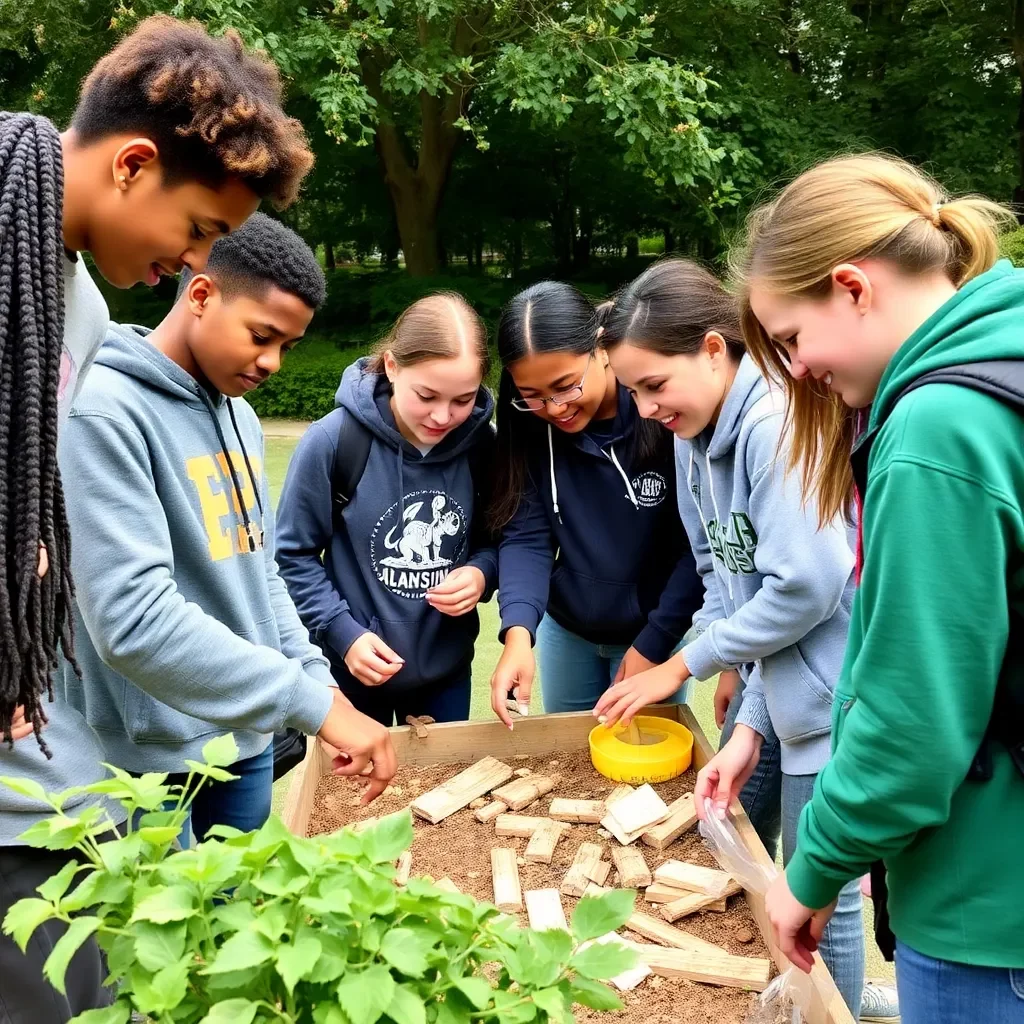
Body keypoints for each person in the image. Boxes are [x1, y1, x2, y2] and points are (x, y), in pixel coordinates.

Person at [0, 17, 317, 1023]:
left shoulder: (77, 308)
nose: (191, 260)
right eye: (198, 231)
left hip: (46, 759)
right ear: (134, 164)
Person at [737, 152, 1024, 1024]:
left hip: (987, 911)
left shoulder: (940, 428)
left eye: (789, 339)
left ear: (853, 286)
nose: (794, 371)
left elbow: (913, 721)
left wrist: (814, 867)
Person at [56, 214, 396, 849]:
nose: (271, 362)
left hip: (245, 739)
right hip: (144, 758)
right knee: (163, 943)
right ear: (202, 295)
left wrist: (317, 684)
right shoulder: (102, 409)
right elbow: (132, 624)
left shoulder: (238, 414)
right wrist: (312, 703)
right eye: (261, 335)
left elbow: (258, 571)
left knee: (236, 921)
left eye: (287, 346)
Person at [596, 258, 875, 1019]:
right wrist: (750, 711)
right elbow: (726, 579)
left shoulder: (773, 423)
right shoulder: (693, 437)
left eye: (655, 385)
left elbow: (807, 588)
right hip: (783, 683)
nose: (647, 408)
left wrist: (681, 663)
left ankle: (837, 1008)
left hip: (837, 688)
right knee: (778, 858)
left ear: (715, 350)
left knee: (823, 888)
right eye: (634, 392)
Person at [489, 281, 702, 727]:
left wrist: (655, 643)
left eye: (565, 386)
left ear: (602, 348)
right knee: (571, 757)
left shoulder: (661, 414)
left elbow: (696, 547)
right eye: (532, 394)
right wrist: (518, 632)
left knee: (641, 762)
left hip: (654, 629)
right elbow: (526, 535)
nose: (553, 408)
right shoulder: (529, 426)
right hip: (566, 630)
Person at [277, 293, 497, 726]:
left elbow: (499, 538)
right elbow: (293, 556)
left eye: (463, 399)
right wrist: (343, 634)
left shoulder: (482, 445)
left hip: (446, 672)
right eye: (427, 395)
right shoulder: (334, 441)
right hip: (354, 669)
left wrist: (482, 571)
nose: (443, 415)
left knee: (445, 791)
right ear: (392, 367)